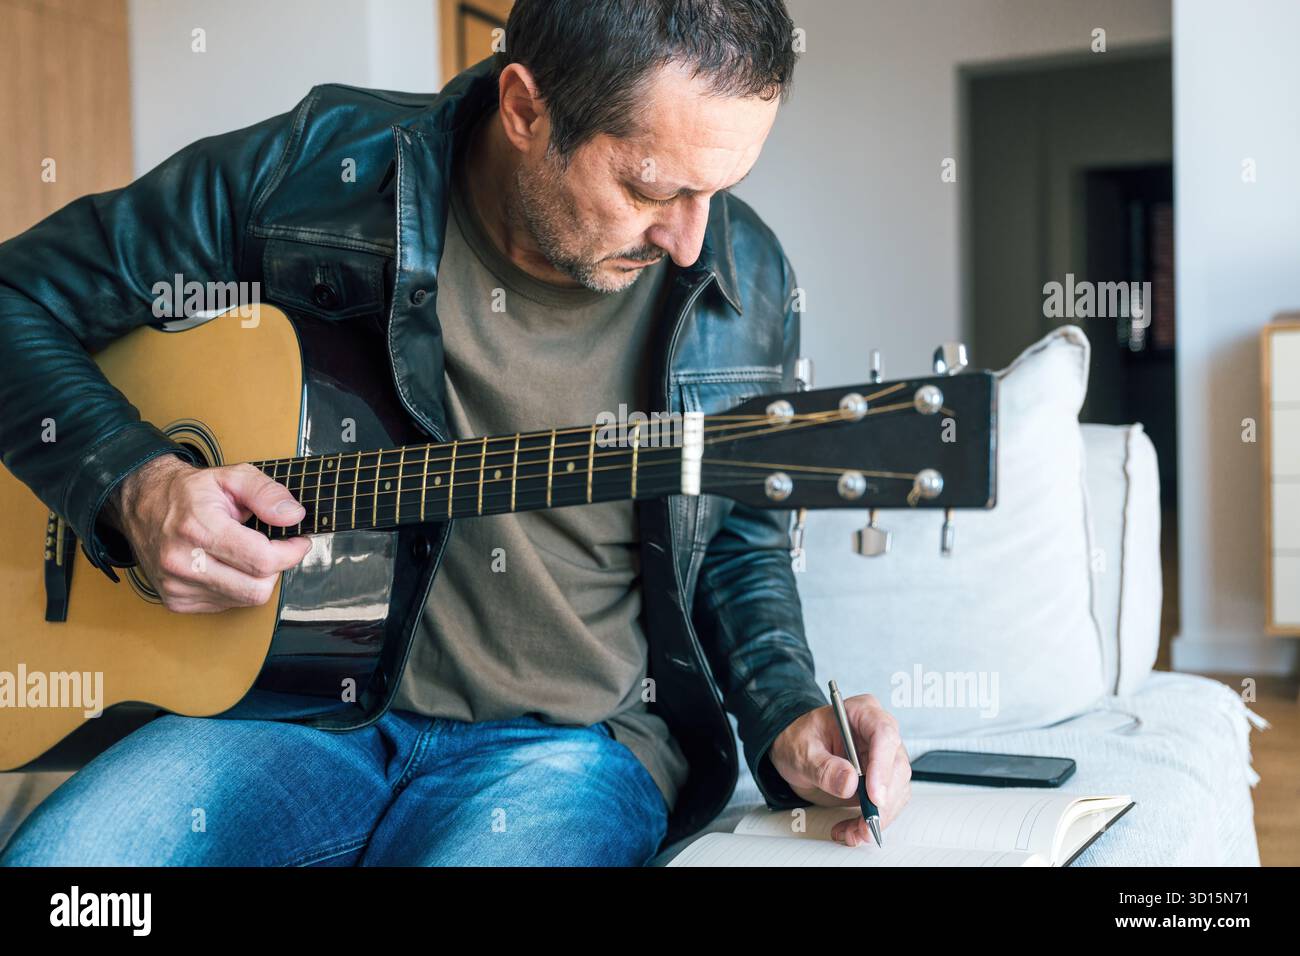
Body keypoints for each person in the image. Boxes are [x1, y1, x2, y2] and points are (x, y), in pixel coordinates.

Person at [0, 0, 910, 866]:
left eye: (722, 189)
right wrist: (135, 483)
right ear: (523, 107)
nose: (688, 240)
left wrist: (787, 714)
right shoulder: (320, 169)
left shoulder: (743, 273)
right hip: (291, 717)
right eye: (648, 187)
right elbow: (16, 298)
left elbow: (737, 543)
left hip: (569, 748)